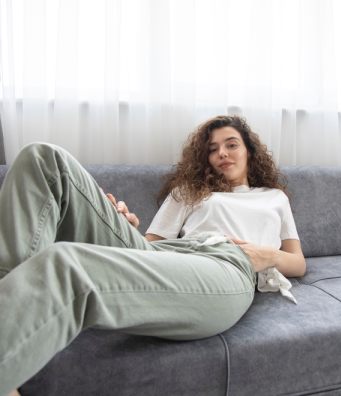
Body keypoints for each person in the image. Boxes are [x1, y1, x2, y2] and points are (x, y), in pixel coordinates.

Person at [0, 115, 306, 396]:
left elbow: (297, 262)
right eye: (213, 149)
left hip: (226, 264)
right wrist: (124, 224)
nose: (222, 153)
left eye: (231, 145)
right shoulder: (189, 191)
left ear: (249, 151)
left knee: (66, 264)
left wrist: (265, 255)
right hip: (168, 254)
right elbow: (146, 247)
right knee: (42, 158)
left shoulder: (273, 198)